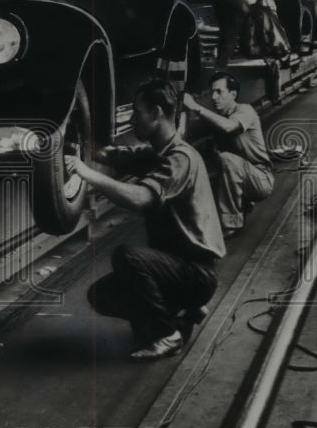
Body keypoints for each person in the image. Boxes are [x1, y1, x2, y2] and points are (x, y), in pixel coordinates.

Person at [66, 78, 225, 362]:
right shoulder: (157, 154)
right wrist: (75, 143)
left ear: (156, 113)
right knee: (100, 295)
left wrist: (84, 173)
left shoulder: (180, 160)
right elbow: (110, 154)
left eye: (136, 113)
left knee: (128, 257)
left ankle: (167, 334)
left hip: (197, 272)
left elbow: (139, 198)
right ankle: (182, 308)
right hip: (178, 267)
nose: (132, 119)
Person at [183, 72, 274, 238]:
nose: (214, 97)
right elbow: (188, 137)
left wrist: (196, 107)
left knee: (226, 159)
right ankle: (241, 203)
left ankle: (232, 225)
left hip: (260, 178)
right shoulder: (218, 118)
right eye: (212, 92)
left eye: (219, 92)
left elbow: (229, 127)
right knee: (203, 164)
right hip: (242, 176)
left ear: (233, 94)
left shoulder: (245, 110)